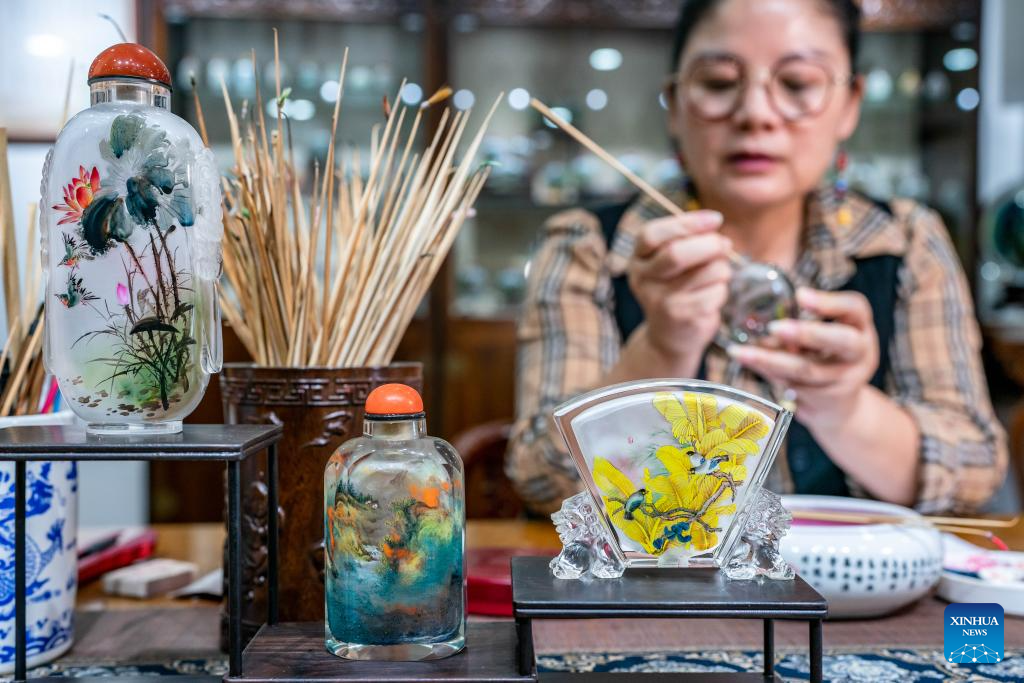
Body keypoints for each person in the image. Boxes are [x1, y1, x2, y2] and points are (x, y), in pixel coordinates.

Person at [507, 0, 1007, 516]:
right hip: (656, 595)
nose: (756, 114)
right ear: (675, 103)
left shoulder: (905, 241)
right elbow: (545, 483)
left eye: (796, 84)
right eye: (720, 83)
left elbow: (975, 471)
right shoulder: (588, 246)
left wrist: (846, 408)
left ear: (850, 102)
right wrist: (661, 347)